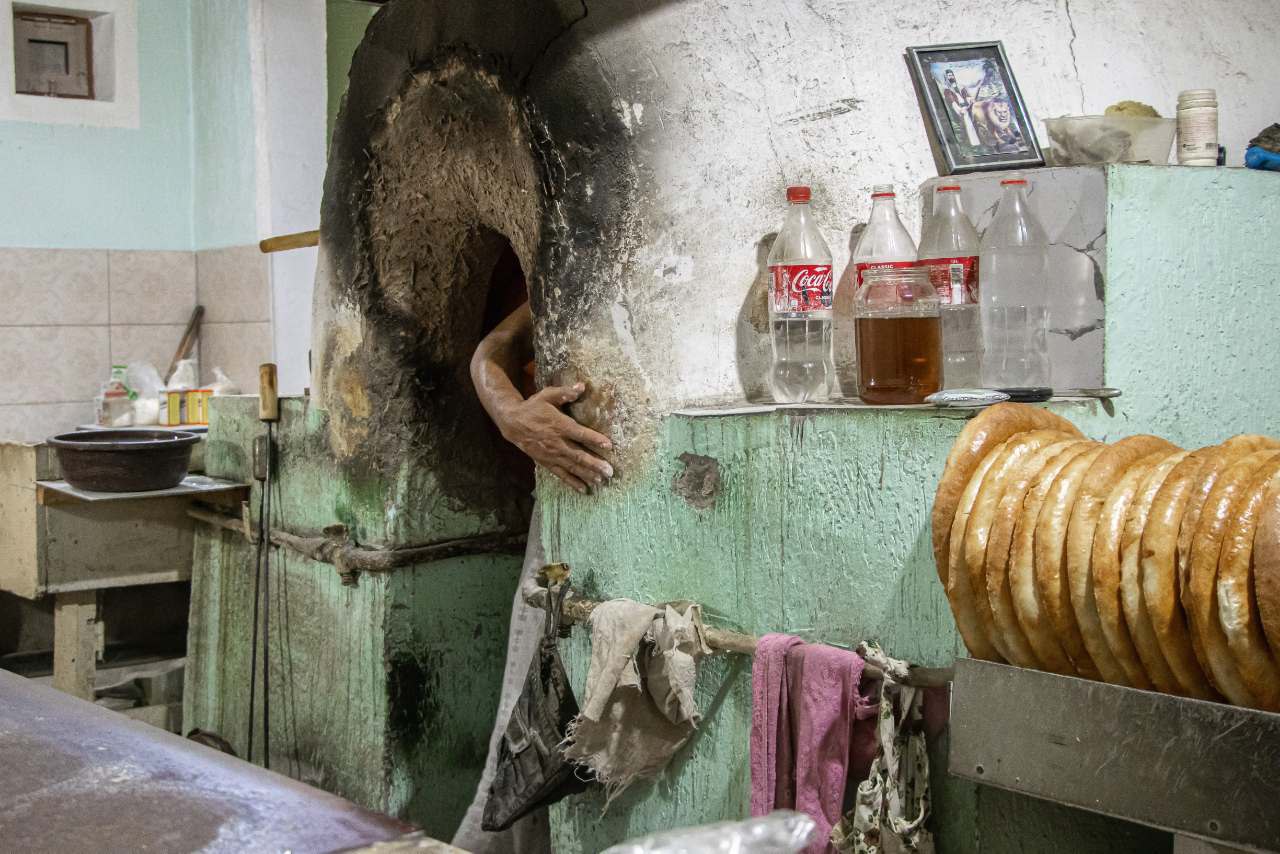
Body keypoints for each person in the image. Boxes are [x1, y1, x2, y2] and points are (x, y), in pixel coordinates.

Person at [452, 300, 614, 853]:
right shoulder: (594, 237)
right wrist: (510, 414)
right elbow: (492, 351)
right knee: (526, 703)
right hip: (560, 532)